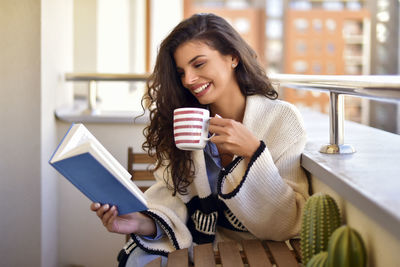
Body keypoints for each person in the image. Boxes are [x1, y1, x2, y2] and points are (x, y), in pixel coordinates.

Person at [90, 13, 309, 267]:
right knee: (138, 260)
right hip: (199, 246)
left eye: (199, 64)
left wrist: (254, 152)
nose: (188, 80)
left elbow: (289, 220)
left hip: (261, 249)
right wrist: (138, 223)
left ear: (233, 57)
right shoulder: (184, 121)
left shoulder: (281, 119)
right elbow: (170, 200)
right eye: (181, 72)